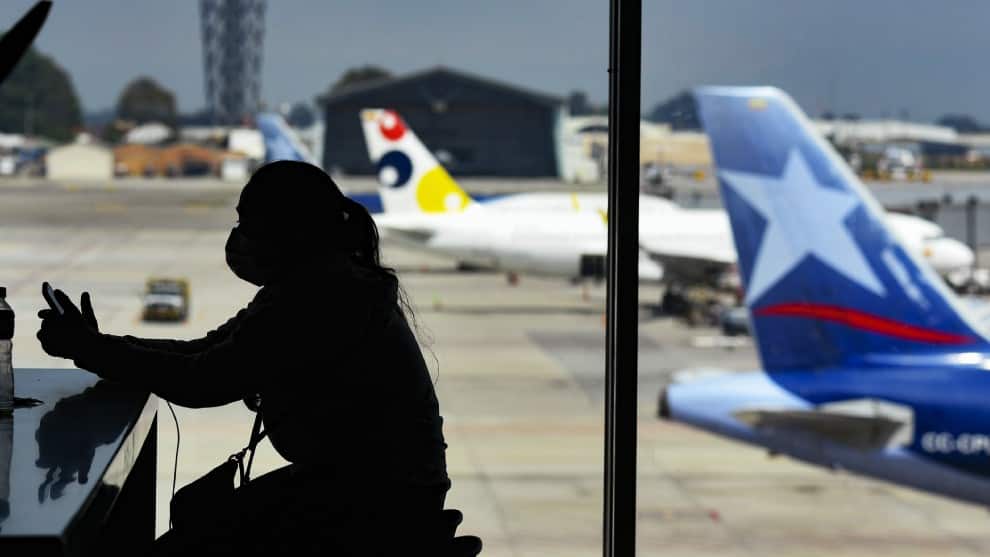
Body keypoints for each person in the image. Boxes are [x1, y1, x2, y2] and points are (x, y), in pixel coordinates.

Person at [36, 161, 450, 555]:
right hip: (371, 488)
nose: (238, 237)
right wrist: (99, 345)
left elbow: (202, 380)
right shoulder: (313, 284)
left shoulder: (321, 296)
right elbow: (204, 350)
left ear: (289, 230)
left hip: (375, 502)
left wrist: (92, 350)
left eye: (248, 223)